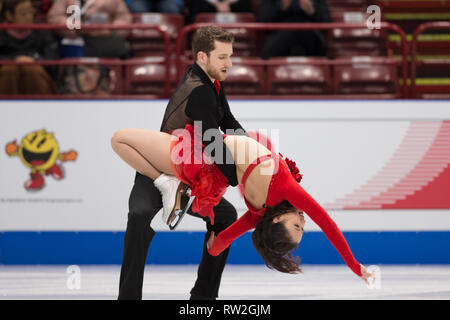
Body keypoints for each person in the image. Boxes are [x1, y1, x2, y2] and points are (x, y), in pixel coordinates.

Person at [111, 125, 375, 285]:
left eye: (297, 225)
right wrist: (214, 245)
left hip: (196, 156)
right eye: (301, 226)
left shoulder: (281, 194)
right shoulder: (260, 213)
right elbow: (219, 245)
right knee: (123, 142)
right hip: (201, 157)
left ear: (276, 221)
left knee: (119, 139)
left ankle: (164, 182)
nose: (304, 221)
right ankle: (164, 181)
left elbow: (328, 224)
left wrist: (356, 267)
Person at [115, 26, 247, 300]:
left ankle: (203, 297)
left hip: (185, 172)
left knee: (225, 217)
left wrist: (252, 152)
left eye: (230, 56)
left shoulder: (210, 81)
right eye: (222, 57)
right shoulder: (198, 90)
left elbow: (228, 123)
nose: (229, 63)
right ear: (202, 56)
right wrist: (239, 176)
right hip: (159, 167)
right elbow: (213, 141)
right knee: (139, 216)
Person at [0, 0, 59, 95]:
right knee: (9, 70)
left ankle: (40, 105)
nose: (28, 16)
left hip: (37, 72)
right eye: (23, 13)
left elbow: (52, 59)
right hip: (8, 73)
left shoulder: (42, 32)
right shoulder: (1, 33)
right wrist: (14, 60)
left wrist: (34, 60)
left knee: (31, 69)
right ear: (9, 15)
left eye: (30, 11)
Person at [259, 0, 331, 59]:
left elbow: (327, 21)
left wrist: (312, 11)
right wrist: (281, 8)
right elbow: (263, 20)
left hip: (309, 36)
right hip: (279, 37)